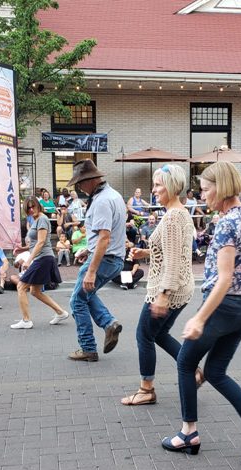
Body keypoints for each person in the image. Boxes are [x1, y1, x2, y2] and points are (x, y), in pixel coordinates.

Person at [162, 161, 241, 466]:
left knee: (186, 362)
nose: (202, 196)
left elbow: (225, 277)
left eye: (204, 189)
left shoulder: (228, 222)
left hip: (223, 307)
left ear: (221, 187)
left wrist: (200, 318)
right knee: (215, 372)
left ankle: (189, 432)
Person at [120, 164, 195, 406]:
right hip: (182, 286)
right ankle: (193, 371)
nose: (154, 190)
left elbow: (173, 261)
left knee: (144, 335)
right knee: (159, 333)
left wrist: (163, 294)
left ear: (172, 187)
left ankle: (146, 389)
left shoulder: (173, 217)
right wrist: (146, 251)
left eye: (158, 185)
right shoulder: (180, 212)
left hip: (169, 287)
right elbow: (173, 251)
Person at [67, 159, 127, 361]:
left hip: (104, 258)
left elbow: (104, 237)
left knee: (77, 301)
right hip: (113, 258)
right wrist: (88, 248)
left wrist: (91, 270)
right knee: (86, 296)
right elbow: (109, 234)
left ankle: (88, 348)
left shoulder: (101, 201)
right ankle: (109, 324)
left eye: (79, 183)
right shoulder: (114, 196)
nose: (80, 188)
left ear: (90, 180)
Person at [10, 197, 68, 329]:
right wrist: (23, 249)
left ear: (38, 205)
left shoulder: (42, 219)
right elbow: (38, 242)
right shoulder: (37, 220)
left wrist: (28, 260)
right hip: (42, 258)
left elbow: (42, 242)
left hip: (43, 258)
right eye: (28, 208)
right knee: (35, 291)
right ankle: (60, 312)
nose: (31, 209)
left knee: (21, 286)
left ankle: (26, 321)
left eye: (33, 206)